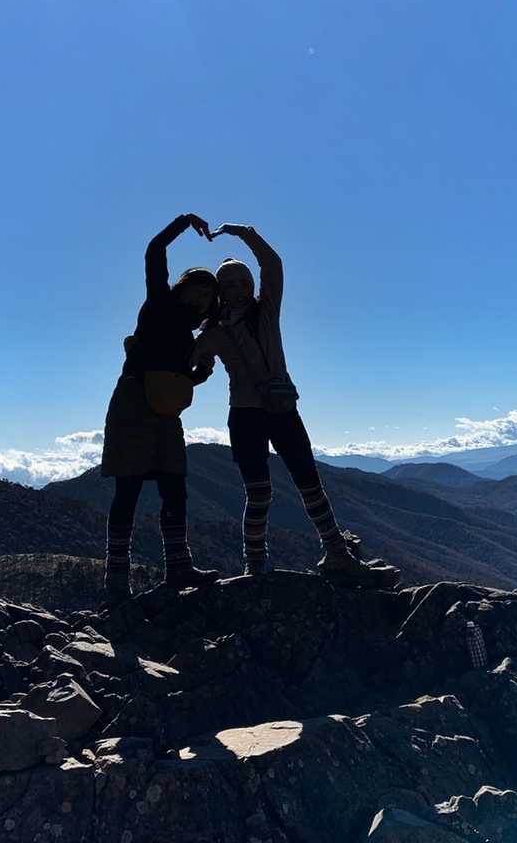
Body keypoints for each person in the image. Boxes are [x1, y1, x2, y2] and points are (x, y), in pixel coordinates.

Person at [194, 222, 393, 586]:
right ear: (221, 293)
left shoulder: (266, 311)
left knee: (309, 483)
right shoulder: (214, 333)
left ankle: (335, 552)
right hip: (248, 416)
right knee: (259, 492)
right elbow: (188, 361)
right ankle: (256, 563)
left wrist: (245, 233)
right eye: (230, 285)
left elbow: (272, 264)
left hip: (281, 409)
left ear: (251, 284)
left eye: (243, 282)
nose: (238, 289)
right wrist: (193, 371)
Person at [100, 213, 218, 603]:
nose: (200, 298)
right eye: (196, 289)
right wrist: (184, 222)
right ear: (182, 289)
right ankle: (117, 578)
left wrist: (198, 376)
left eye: (207, 296)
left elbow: (172, 380)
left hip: (164, 412)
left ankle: (178, 567)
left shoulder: (189, 337)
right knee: (128, 488)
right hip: (134, 405)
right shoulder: (159, 304)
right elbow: (154, 250)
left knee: (175, 487)